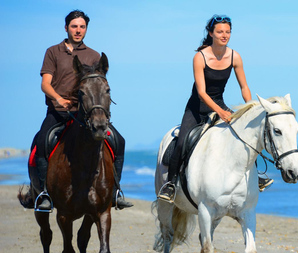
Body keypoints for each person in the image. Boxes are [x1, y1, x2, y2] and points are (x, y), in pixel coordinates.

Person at [158, 14, 273, 203]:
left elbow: (244, 86)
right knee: (181, 143)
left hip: (219, 104)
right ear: (211, 33)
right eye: (220, 31)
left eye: (228, 32)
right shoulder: (200, 57)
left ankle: (256, 176)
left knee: (246, 134)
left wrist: (250, 107)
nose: (224, 35)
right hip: (197, 107)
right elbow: (202, 92)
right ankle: (170, 185)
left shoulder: (235, 56)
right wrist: (219, 112)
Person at [33, 10, 132, 210]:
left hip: (86, 114)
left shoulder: (94, 55)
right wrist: (59, 99)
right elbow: (45, 84)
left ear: (86, 29)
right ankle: (42, 193)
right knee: (42, 141)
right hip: (58, 112)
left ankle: (115, 192)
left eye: (82, 26)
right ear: (66, 27)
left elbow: (99, 85)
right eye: (74, 26)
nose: (78, 30)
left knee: (119, 142)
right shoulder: (53, 52)